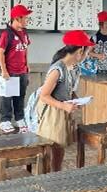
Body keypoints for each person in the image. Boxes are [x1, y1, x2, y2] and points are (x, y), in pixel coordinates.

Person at [37, 30, 94, 171]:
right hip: (52, 114)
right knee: (51, 148)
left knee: (59, 147)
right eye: (87, 52)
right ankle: (48, 177)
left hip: (63, 111)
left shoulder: (75, 68)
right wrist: (63, 106)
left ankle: (56, 173)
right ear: (80, 51)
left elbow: (70, 90)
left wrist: (77, 100)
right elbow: (44, 96)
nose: (87, 55)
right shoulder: (57, 69)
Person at [0, 4, 32, 134]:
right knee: (7, 97)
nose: (27, 20)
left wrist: (27, 65)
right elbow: (0, 52)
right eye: (25, 18)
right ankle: (5, 120)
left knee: (20, 96)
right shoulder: (7, 34)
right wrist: (4, 70)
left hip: (22, 71)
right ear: (17, 18)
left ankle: (20, 118)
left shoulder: (25, 33)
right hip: (10, 72)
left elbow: (25, 50)